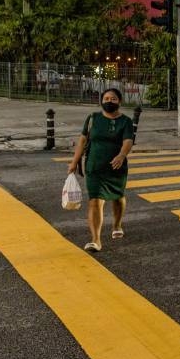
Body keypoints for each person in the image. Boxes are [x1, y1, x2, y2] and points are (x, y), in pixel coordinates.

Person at [67, 88, 135, 253]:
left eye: (113, 99)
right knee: (95, 200)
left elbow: (128, 141)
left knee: (118, 197)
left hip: (116, 167)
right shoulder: (93, 118)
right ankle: (96, 240)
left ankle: (117, 224)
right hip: (94, 166)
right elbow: (83, 140)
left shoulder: (125, 121)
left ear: (119, 101)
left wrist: (121, 155)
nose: (109, 101)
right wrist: (74, 162)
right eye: (106, 98)